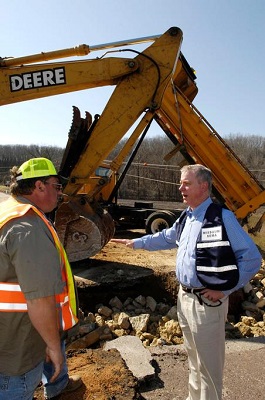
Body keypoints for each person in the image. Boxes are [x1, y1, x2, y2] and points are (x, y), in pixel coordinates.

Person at [112, 164, 262, 400]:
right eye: (181, 183)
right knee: (193, 358)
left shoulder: (222, 217)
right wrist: (136, 243)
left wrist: (224, 289)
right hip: (185, 298)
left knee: (209, 365)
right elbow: (166, 237)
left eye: (186, 183)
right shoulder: (187, 217)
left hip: (206, 302)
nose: (180, 187)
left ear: (203, 186)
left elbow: (252, 258)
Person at [0, 157, 81, 399]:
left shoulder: (8, 210)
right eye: (57, 187)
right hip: (16, 355)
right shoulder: (28, 227)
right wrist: (54, 347)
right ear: (39, 186)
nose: (60, 193)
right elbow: (40, 300)